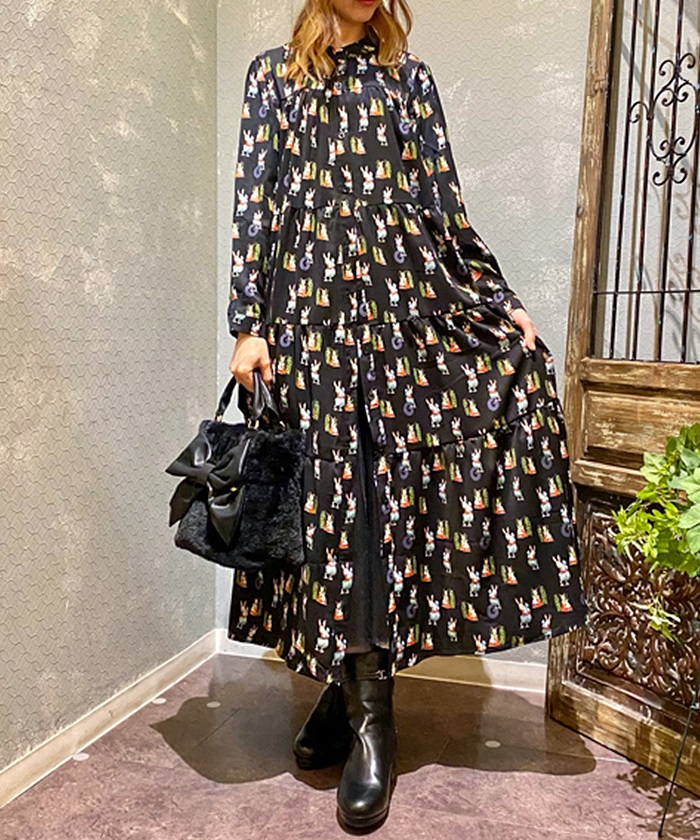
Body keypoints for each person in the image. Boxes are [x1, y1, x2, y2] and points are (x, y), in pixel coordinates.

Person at [226, 0, 588, 830]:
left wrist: (498, 300)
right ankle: (346, 688)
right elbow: (256, 207)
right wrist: (248, 322)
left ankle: (370, 718)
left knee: (381, 507)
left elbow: (441, 207)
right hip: (309, 321)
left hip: (401, 319)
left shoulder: (408, 81)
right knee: (327, 512)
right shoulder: (273, 79)